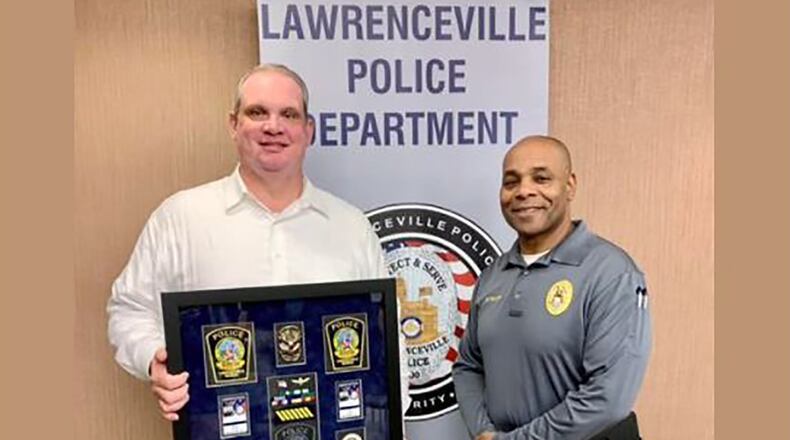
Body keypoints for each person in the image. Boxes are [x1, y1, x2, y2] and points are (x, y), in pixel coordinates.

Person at [107, 64, 410, 425]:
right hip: (221, 424)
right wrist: (154, 357)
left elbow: (389, 337)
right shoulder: (181, 218)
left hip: (334, 426)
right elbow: (129, 308)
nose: (273, 126)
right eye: (257, 112)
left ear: (308, 130)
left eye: (289, 114)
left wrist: (390, 420)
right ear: (233, 124)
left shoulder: (351, 227)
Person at [452, 135, 651, 440]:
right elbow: (468, 366)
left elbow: (607, 399)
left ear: (569, 186)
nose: (524, 191)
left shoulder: (611, 273)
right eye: (511, 182)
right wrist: (484, 431)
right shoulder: (493, 275)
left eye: (541, 178)